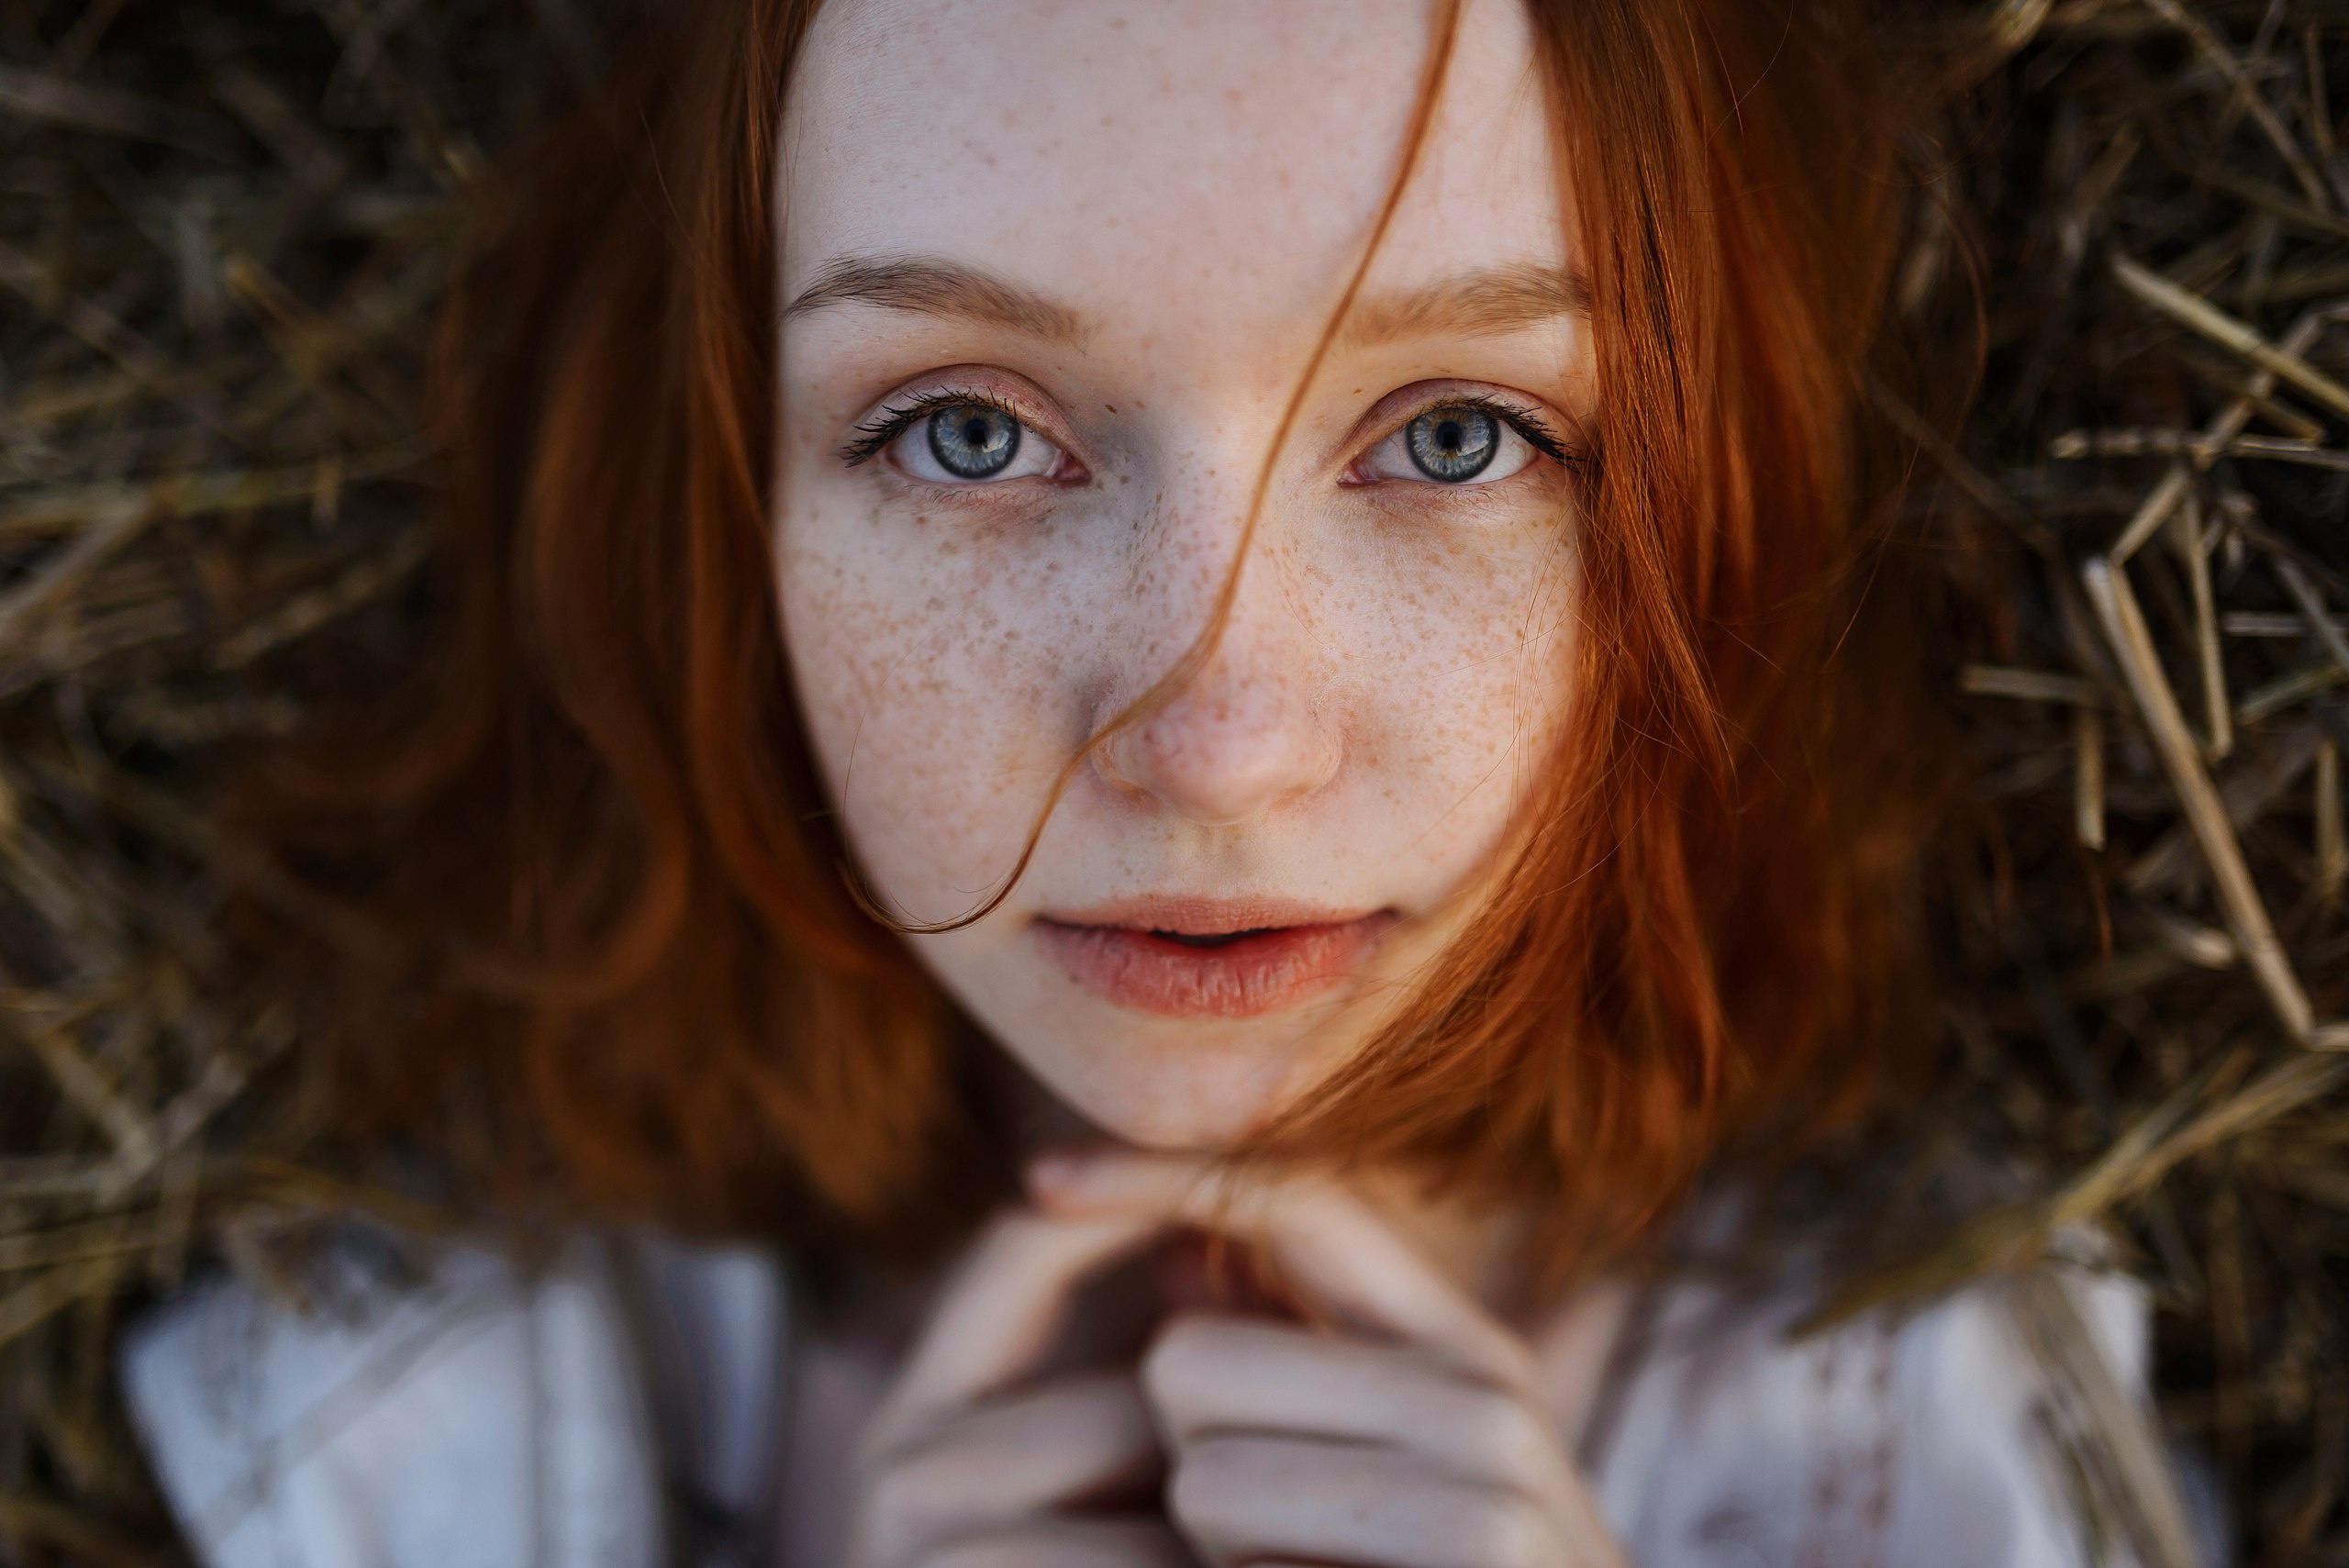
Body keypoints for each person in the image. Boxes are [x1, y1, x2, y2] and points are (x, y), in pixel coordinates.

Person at [117, 1, 2188, 1564]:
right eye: (964, 435)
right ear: (715, 513)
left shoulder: (1949, 1450)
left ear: (1709, 510)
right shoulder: (410, 1442)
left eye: (1457, 436)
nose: (1216, 748)